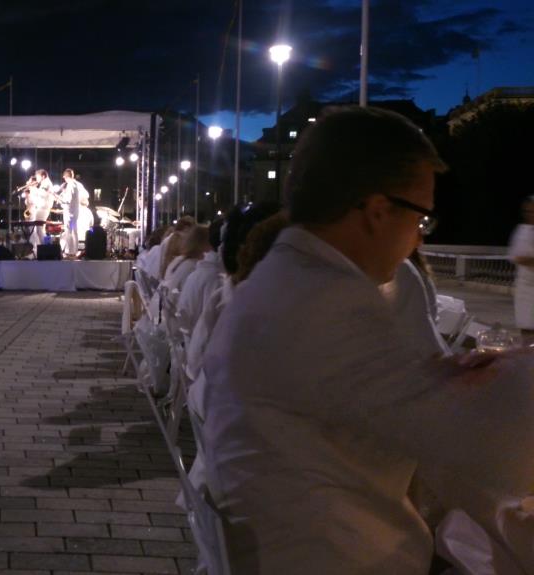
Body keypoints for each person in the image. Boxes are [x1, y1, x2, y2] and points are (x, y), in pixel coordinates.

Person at [201, 106, 534, 573]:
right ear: (378, 211)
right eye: (421, 221)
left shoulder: (287, 279)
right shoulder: (325, 301)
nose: (418, 241)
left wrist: (437, 379)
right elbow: (495, 452)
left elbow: (367, 396)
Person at [508, 196, 534, 335]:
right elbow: (514, 256)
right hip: (525, 285)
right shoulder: (522, 230)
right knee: (525, 325)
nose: (530, 215)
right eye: (527, 211)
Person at [58, 169, 89, 257]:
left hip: (70, 212)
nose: (64, 179)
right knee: (74, 231)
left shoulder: (71, 185)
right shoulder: (78, 184)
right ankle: (74, 250)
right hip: (75, 211)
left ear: (66, 176)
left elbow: (67, 200)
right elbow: (86, 195)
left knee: (69, 231)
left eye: (64, 177)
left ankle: (70, 251)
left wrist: (58, 197)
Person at [24, 169, 53, 247]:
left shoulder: (46, 183)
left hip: (43, 209)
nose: (37, 179)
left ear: (43, 176)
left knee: (38, 229)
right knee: (37, 229)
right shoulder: (45, 183)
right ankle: (41, 247)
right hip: (41, 208)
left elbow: (42, 194)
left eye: (38, 177)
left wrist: (33, 188)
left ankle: (42, 248)